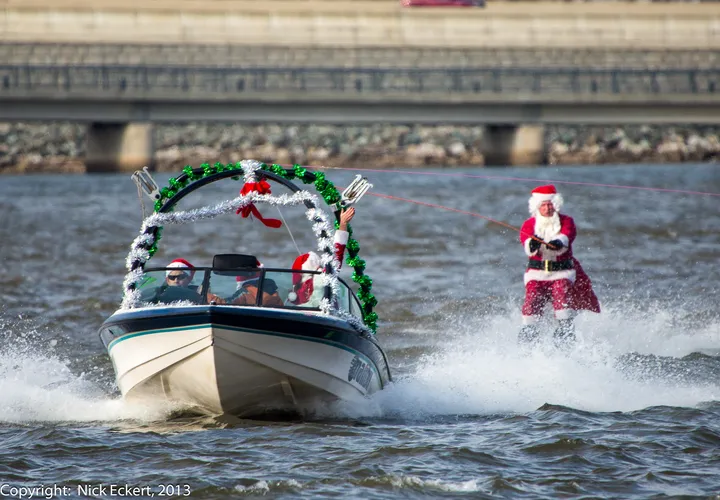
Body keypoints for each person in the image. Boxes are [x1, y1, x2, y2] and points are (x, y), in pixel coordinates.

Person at [518, 185, 600, 347]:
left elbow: (567, 235)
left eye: (550, 204)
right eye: (543, 205)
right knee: (532, 299)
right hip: (537, 273)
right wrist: (531, 244)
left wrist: (559, 241)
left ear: (556, 205)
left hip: (561, 273)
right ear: (537, 206)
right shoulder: (529, 225)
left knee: (561, 298)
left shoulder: (566, 221)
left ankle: (565, 333)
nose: (548, 208)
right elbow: (525, 241)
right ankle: (529, 334)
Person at [288, 207, 355, 307]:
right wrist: (343, 224)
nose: (321, 268)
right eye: (318, 266)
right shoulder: (318, 281)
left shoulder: (293, 294)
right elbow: (337, 256)